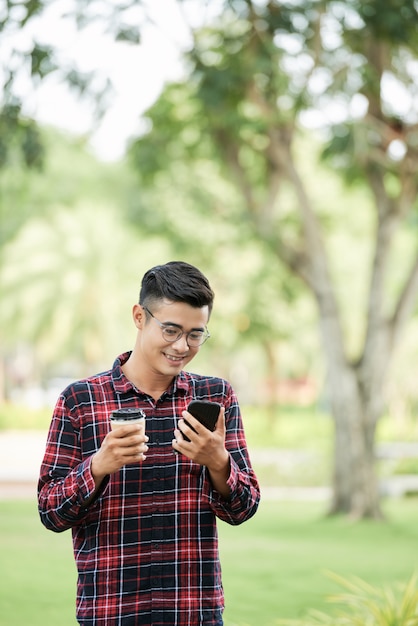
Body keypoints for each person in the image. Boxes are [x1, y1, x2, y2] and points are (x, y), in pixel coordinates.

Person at [38, 260, 260, 626]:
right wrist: (98, 466)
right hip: (109, 612)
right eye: (171, 329)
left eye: (195, 334)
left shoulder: (216, 397)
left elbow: (243, 508)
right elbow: (50, 512)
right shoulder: (80, 400)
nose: (181, 346)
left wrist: (218, 461)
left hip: (194, 613)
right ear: (140, 317)